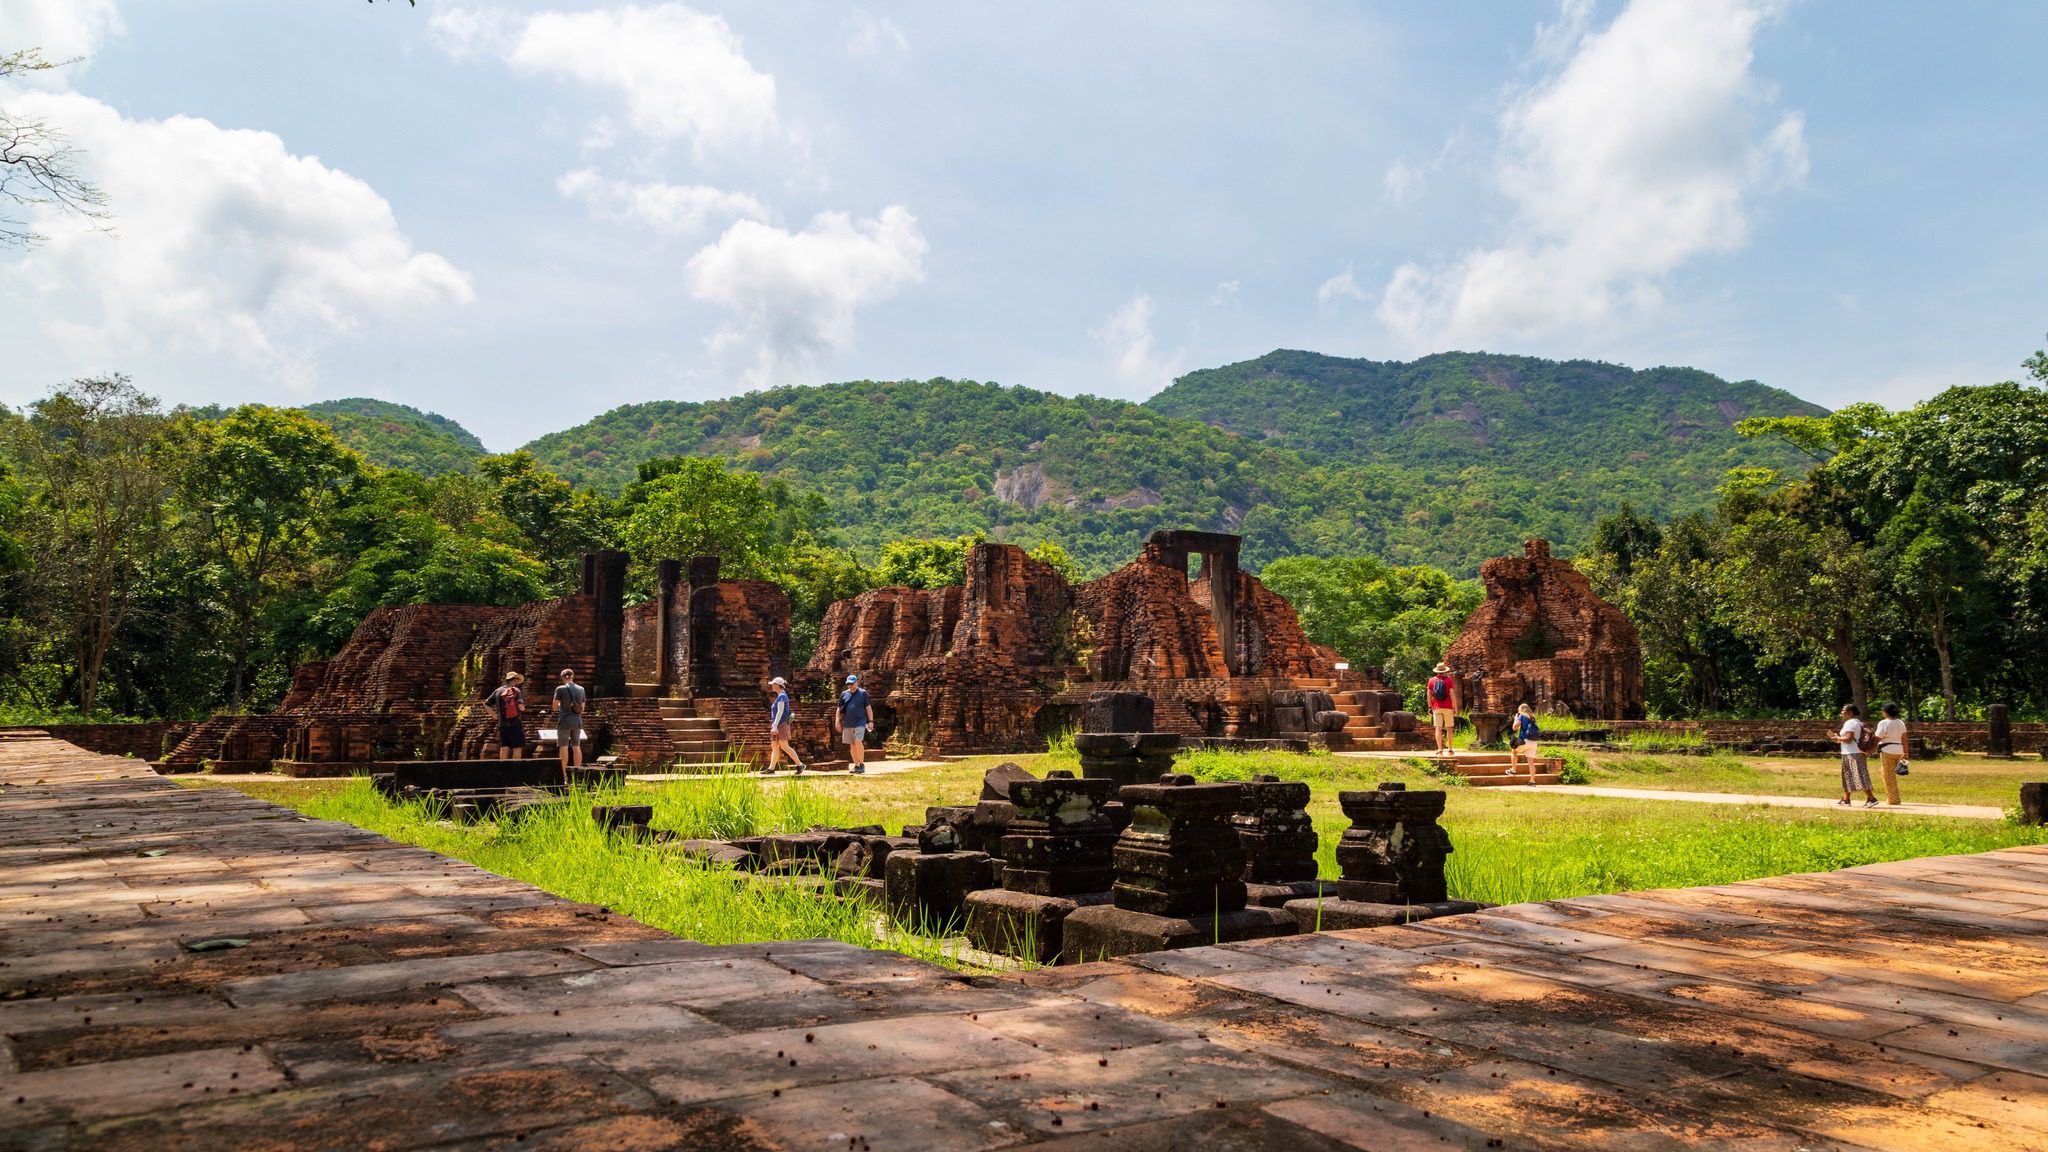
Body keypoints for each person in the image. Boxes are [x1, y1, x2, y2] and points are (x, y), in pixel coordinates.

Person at [1834, 703, 1878, 808]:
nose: (1841, 712)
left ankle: (1871, 799)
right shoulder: (1858, 722)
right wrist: (1839, 739)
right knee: (1848, 776)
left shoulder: (1850, 723)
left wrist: (1838, 738)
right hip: (1852, 752)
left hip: (1853, 753)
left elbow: (1848, 738)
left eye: (1843, 710)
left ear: (1850, 712)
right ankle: (1846, 799)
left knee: (1859, 776)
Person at [763, 676, 806, 776]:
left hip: (781, 724)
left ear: (778, 685)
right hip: (777, 724)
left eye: (773, 684)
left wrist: (775, 726)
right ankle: (771, 768)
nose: (772, 686)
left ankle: (800, 765)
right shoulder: (780, 696)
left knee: (784, 746)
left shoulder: (782, 696)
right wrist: (774, 725)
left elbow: (780, 711)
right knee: (774, 745)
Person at [553, 667, 587, 785]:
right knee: (576, 746)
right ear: (573, 677)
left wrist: (562, 705)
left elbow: (554, 707)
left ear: (563, 677)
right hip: (577, 721)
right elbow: (582, 708)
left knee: (563, 747)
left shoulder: (560, 689)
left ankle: (564, 776)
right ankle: (577, 775)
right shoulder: (581, 689)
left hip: (564, 721)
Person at [835, 673, 874, 775]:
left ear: (856, 683)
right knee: (852, 744)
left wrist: (871, 721)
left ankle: (861, 764)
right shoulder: (844, 694)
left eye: (852, 684)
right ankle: (856, 765)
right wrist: (837, 721)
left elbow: (868, 708)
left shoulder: (863, 693)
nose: (850, 686)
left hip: (860, 721)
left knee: (858, 741)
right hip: (848, 722)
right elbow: (839, 708)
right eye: (848, 684)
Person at [1873, 701, 1908, 806]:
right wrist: (1906, 753)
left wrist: (1870, 747)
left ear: (1885, 712)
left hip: (1887, 750)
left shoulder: (1884, 723)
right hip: (1899, 750)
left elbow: (1877, 738)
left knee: (1888, 776)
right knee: (1892, 775)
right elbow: (1904, 739)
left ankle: (1893, 799)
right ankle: (1892, 797)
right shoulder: (1901, 723)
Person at [488, 672, 526, 761]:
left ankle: (503, 768)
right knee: (517, 747)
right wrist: (523, 708)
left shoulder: (497, 691)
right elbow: (520, 706)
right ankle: (515, 768)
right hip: (515, 723)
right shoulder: (515, 690)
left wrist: (494, 715)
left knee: (504, 746)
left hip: (502, 724)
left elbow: (486, 704)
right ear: (515, 680)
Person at [1426, 662, 1460, 757]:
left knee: (1438, 728)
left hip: (1436, 707)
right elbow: (1452, 694)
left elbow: (1429, 694)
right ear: (1445, 671)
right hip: (1448, 707)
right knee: (1449, 728)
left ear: (1437, 671)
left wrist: (1430, 706)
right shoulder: (1449, 680)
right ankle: (1450, 749)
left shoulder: (1431, 680)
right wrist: (1455, 707)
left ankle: (1440, 749)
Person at [1511, 703, 1541, 775]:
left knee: (1514, 751)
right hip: (1533, 742)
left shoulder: (1521, 716)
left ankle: (1513, 770)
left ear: (1520, 710)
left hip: (1525, 740)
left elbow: (1514, 728)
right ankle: (1532, 780)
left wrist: (1515, 719)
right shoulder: (1533, 717)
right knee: (1531, 763)